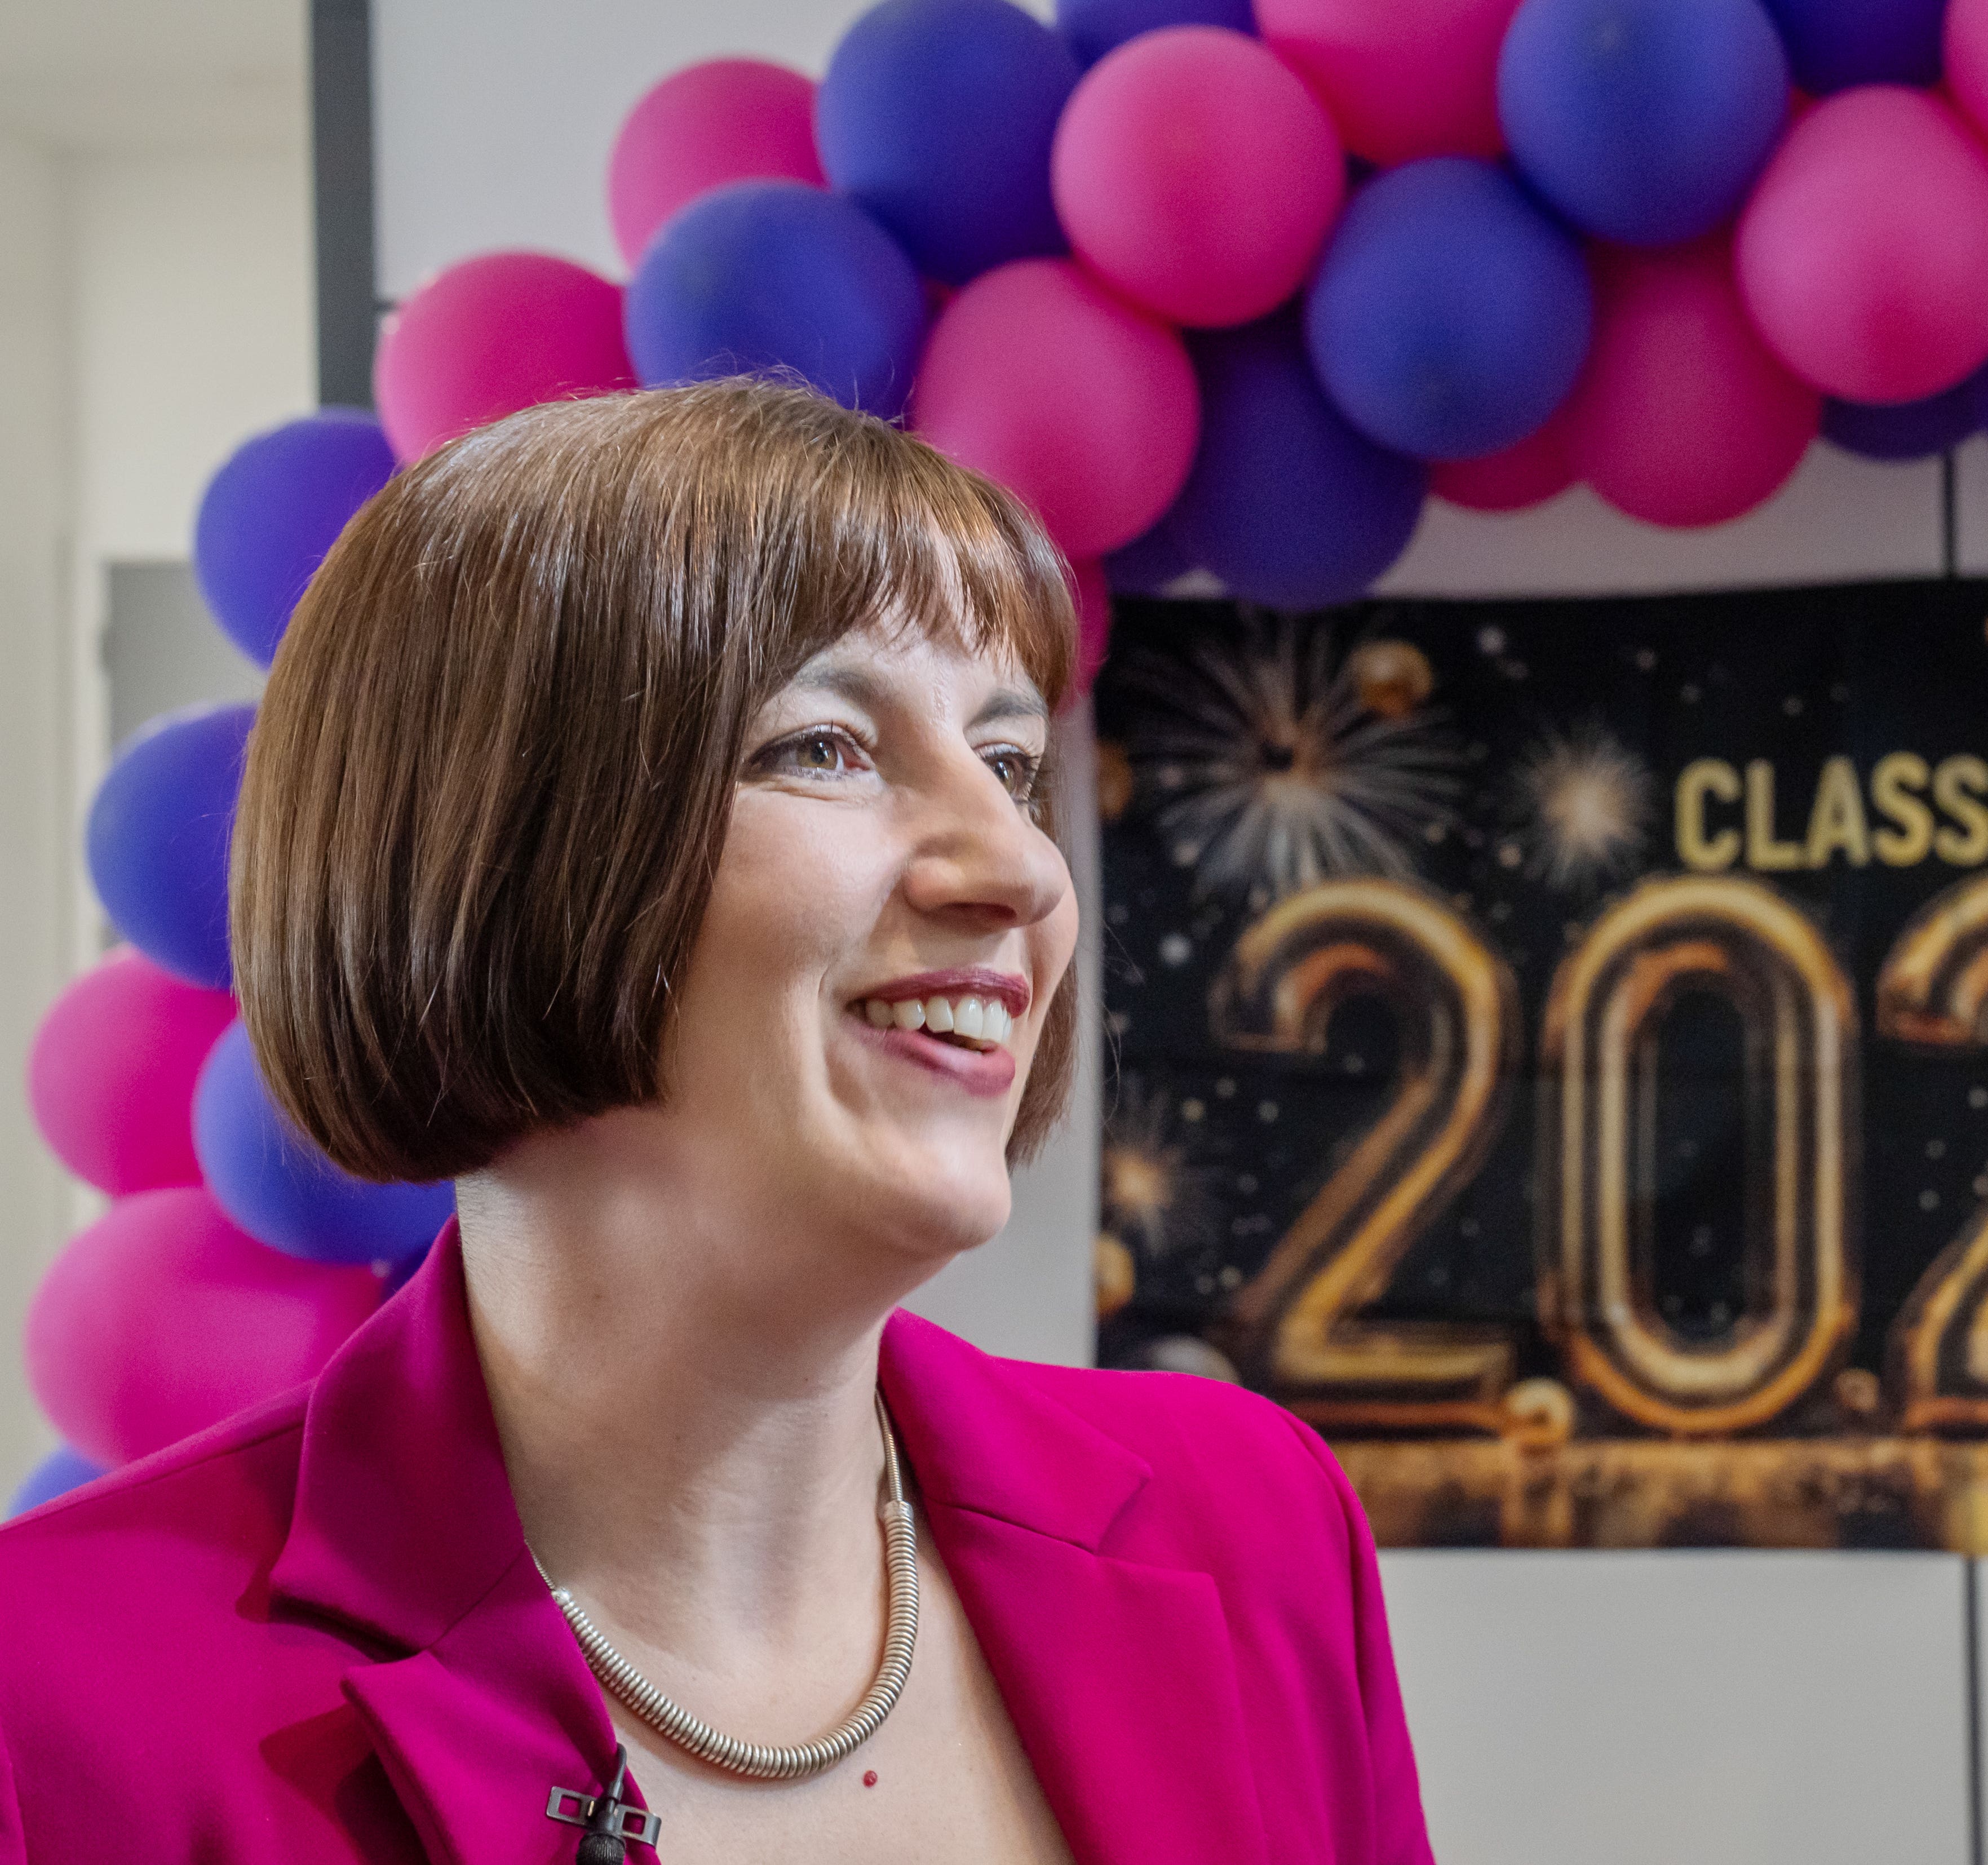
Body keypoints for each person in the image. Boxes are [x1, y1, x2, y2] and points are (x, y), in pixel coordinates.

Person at [0, 379, 1433, 1865]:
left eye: (1008, 764)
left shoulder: (1254, 1524)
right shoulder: (45, 1704)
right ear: (485, 860)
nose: (1020, 868)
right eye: (825, 746)